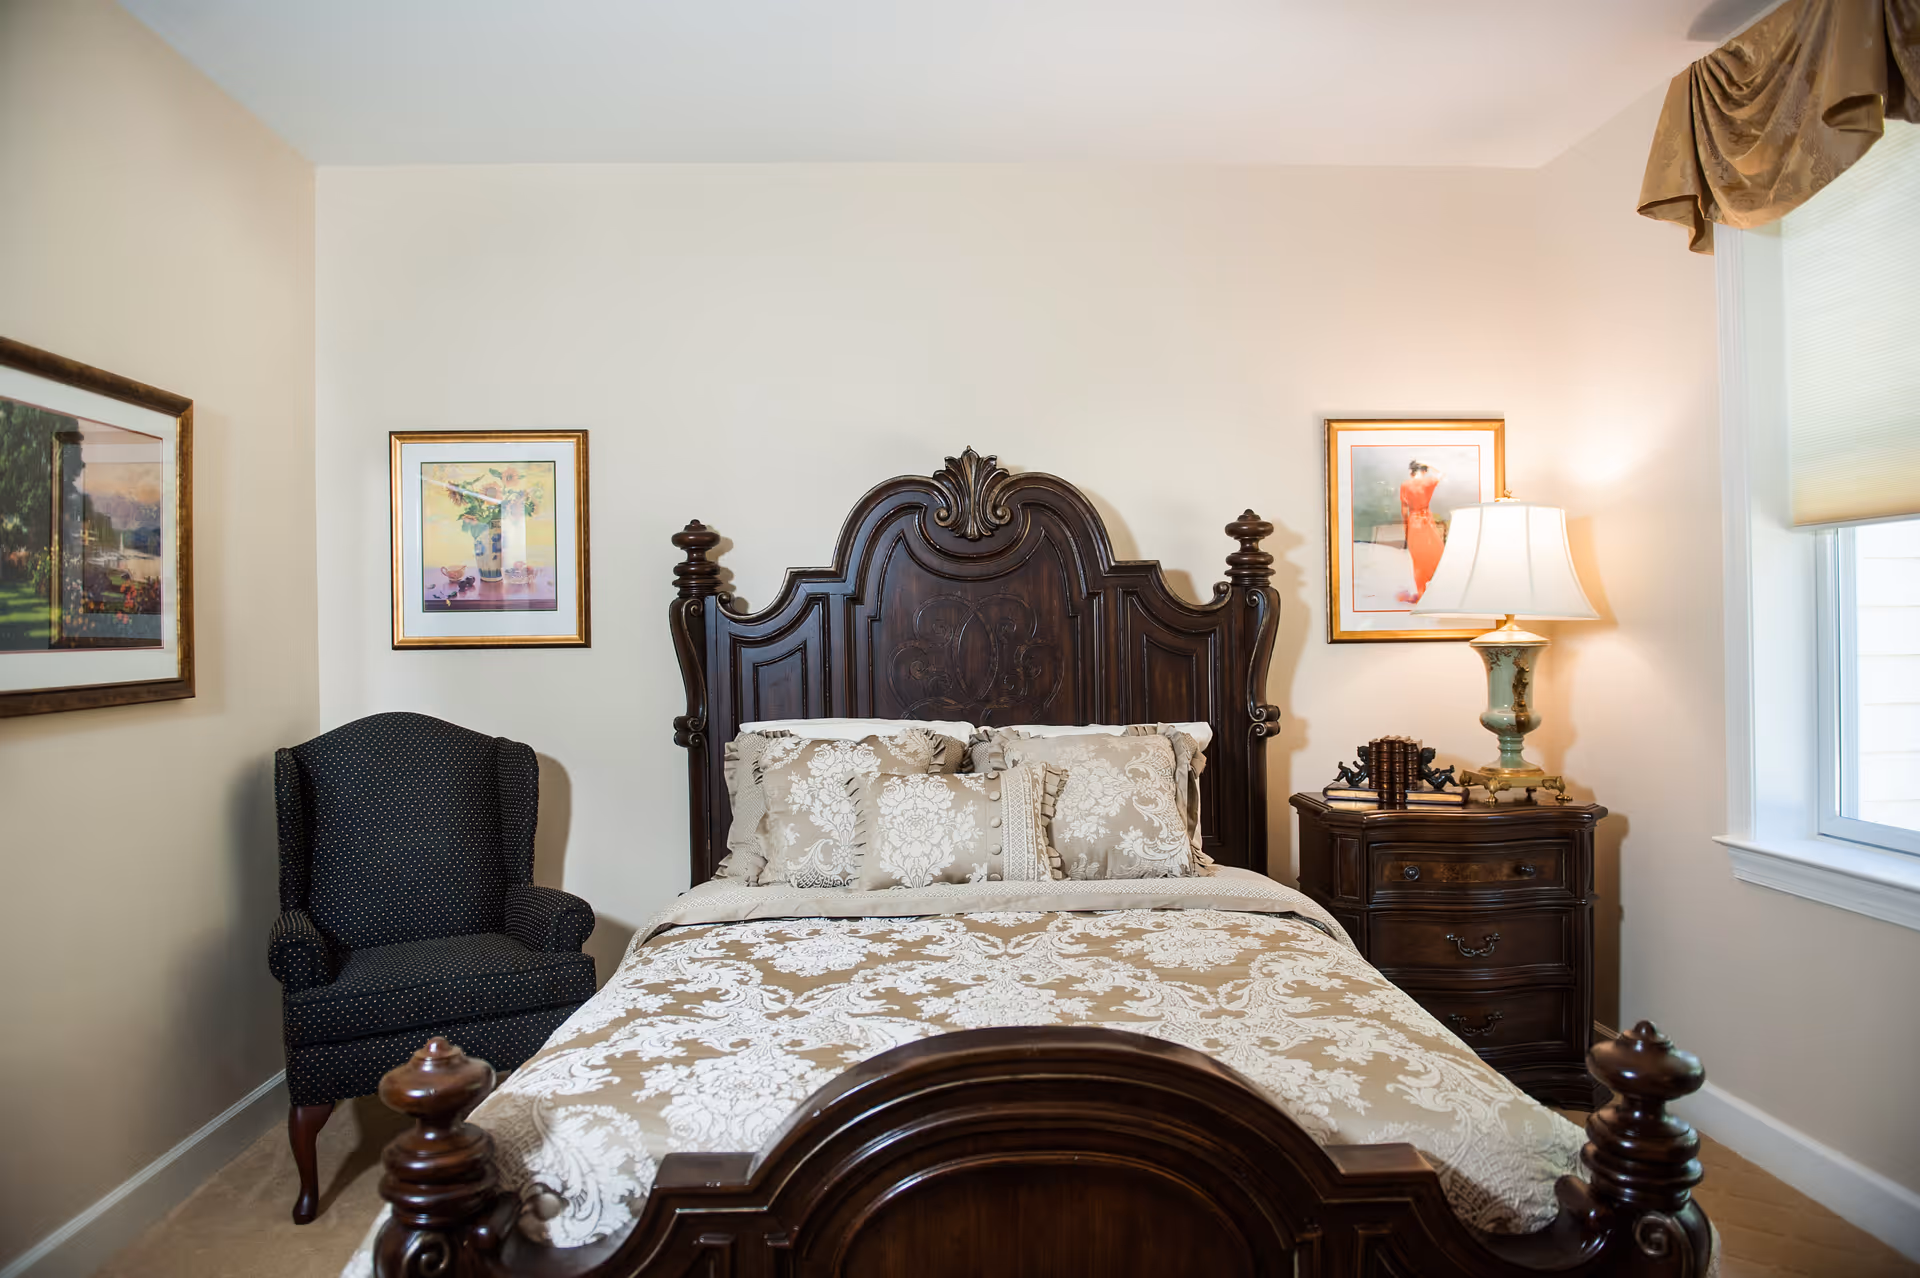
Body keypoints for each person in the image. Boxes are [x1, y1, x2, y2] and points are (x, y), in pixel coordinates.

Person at [1399, 460, 1443, 604]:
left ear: (1411, 472)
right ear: (1424, 471)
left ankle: (1421, 592)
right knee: (1434, 553)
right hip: (1427, 521)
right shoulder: (1428, 482)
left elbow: (1404, 510)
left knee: (1417, 558)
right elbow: (1441, 473)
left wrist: (1406, 529)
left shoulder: (1405, 485)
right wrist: (1429, 464)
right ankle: (1437, 587)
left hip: (1414, 521)